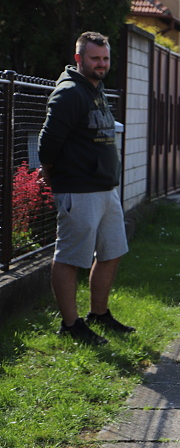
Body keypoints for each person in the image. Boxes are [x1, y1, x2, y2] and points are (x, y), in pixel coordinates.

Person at [38, 31, 133, 346]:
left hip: (105, 188)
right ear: (79, 58)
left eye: (105, 58)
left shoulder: (95, 89)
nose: (102, 64)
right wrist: (51, 172)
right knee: (69, 258)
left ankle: (98, 314)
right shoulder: (69, 93)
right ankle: (70, 324)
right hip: (78, 190)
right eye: (95, 58)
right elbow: (48, 142)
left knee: (112, 252)